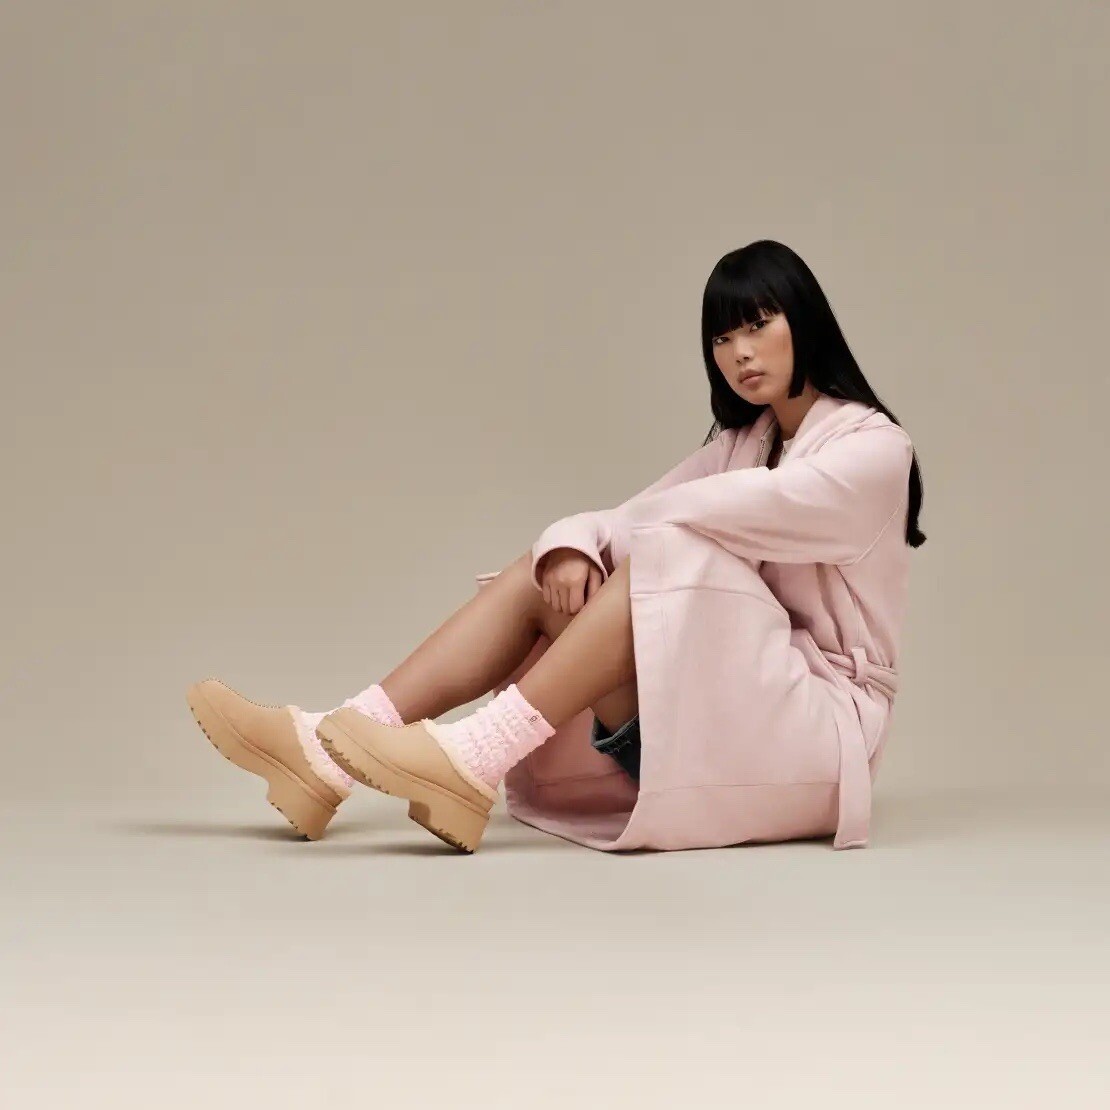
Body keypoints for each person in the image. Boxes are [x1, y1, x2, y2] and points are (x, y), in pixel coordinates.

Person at [186, 239, 926, 854]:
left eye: (759, 325)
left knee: (676, 550)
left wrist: (625, 537)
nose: (740, 352)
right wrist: (569, 544)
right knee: (552, 573)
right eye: (722, 338)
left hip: (815, 735)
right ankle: (325, 754)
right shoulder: (746, 443)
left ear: (805, 320)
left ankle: (474, 755)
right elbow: (629, 516)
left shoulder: (874, 450)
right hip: (711, 724)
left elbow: (737, 510)